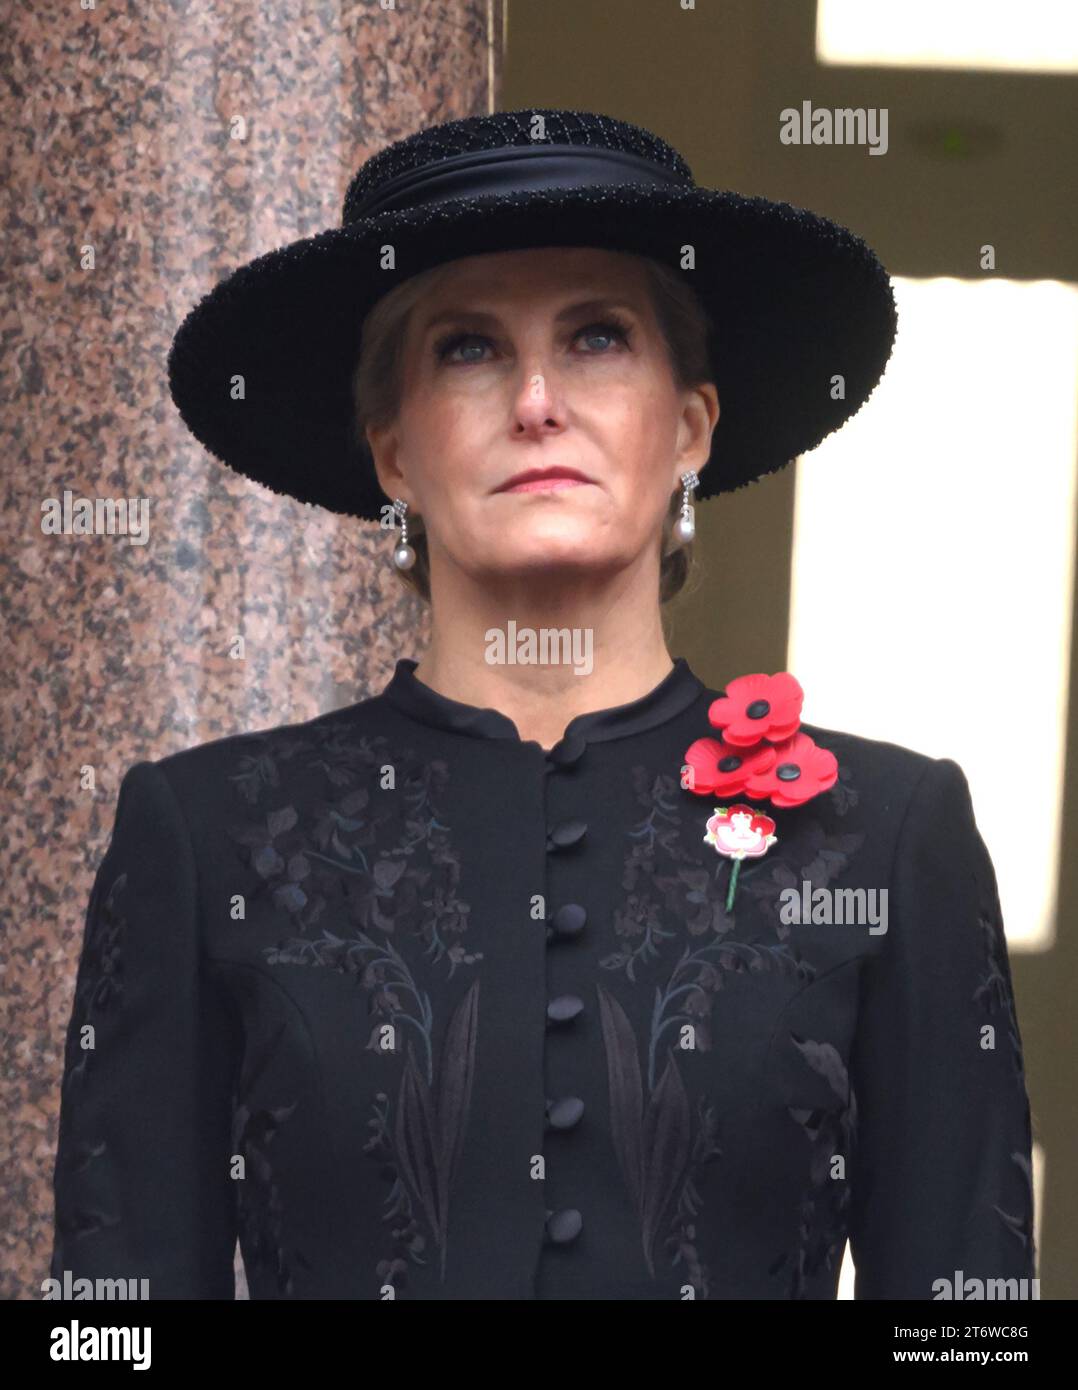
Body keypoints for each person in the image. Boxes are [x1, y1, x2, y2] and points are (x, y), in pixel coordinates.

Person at [48, 107, 1036, 1300]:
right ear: (395, 453)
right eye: (467, 348)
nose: (533, 400)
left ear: (688, 429)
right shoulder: (204, 833)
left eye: (598, 337)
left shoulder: (887, 829)